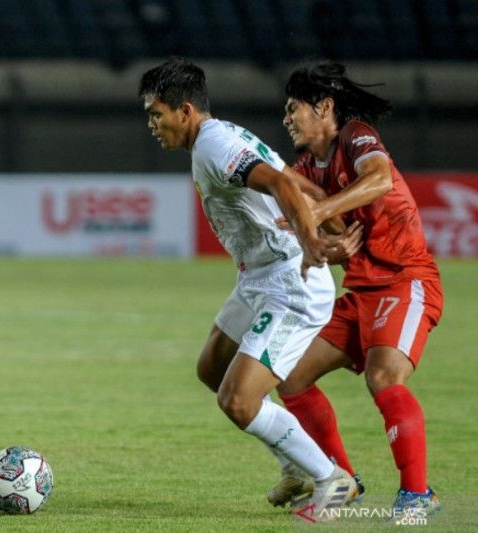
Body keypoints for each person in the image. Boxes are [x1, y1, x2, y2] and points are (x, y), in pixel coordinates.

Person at [138, 58, 359, 522]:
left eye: (156, 114)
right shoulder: (217, 138)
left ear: (185, 111)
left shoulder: (215, 145)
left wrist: (311, 240)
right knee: (212, 368)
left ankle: (332, 480)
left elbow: (280, 183)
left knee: (238, 401)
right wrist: (325, 216)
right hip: (258, 277)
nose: (152, 125)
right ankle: (294, 468)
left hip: (289, 284)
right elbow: (291, 179)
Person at [272, 62, 444, 518]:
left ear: (324, 107)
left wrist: (319, 210)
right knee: (289, 376)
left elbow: (381, 179)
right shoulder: (306, 168)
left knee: (383, 377)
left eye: (293, 109)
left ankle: (417, 494)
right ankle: (341, 483)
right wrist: (321, 242)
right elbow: (335, 235)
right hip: (360, 289)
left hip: (406, 280)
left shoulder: (355, 135)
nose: (286, 119)